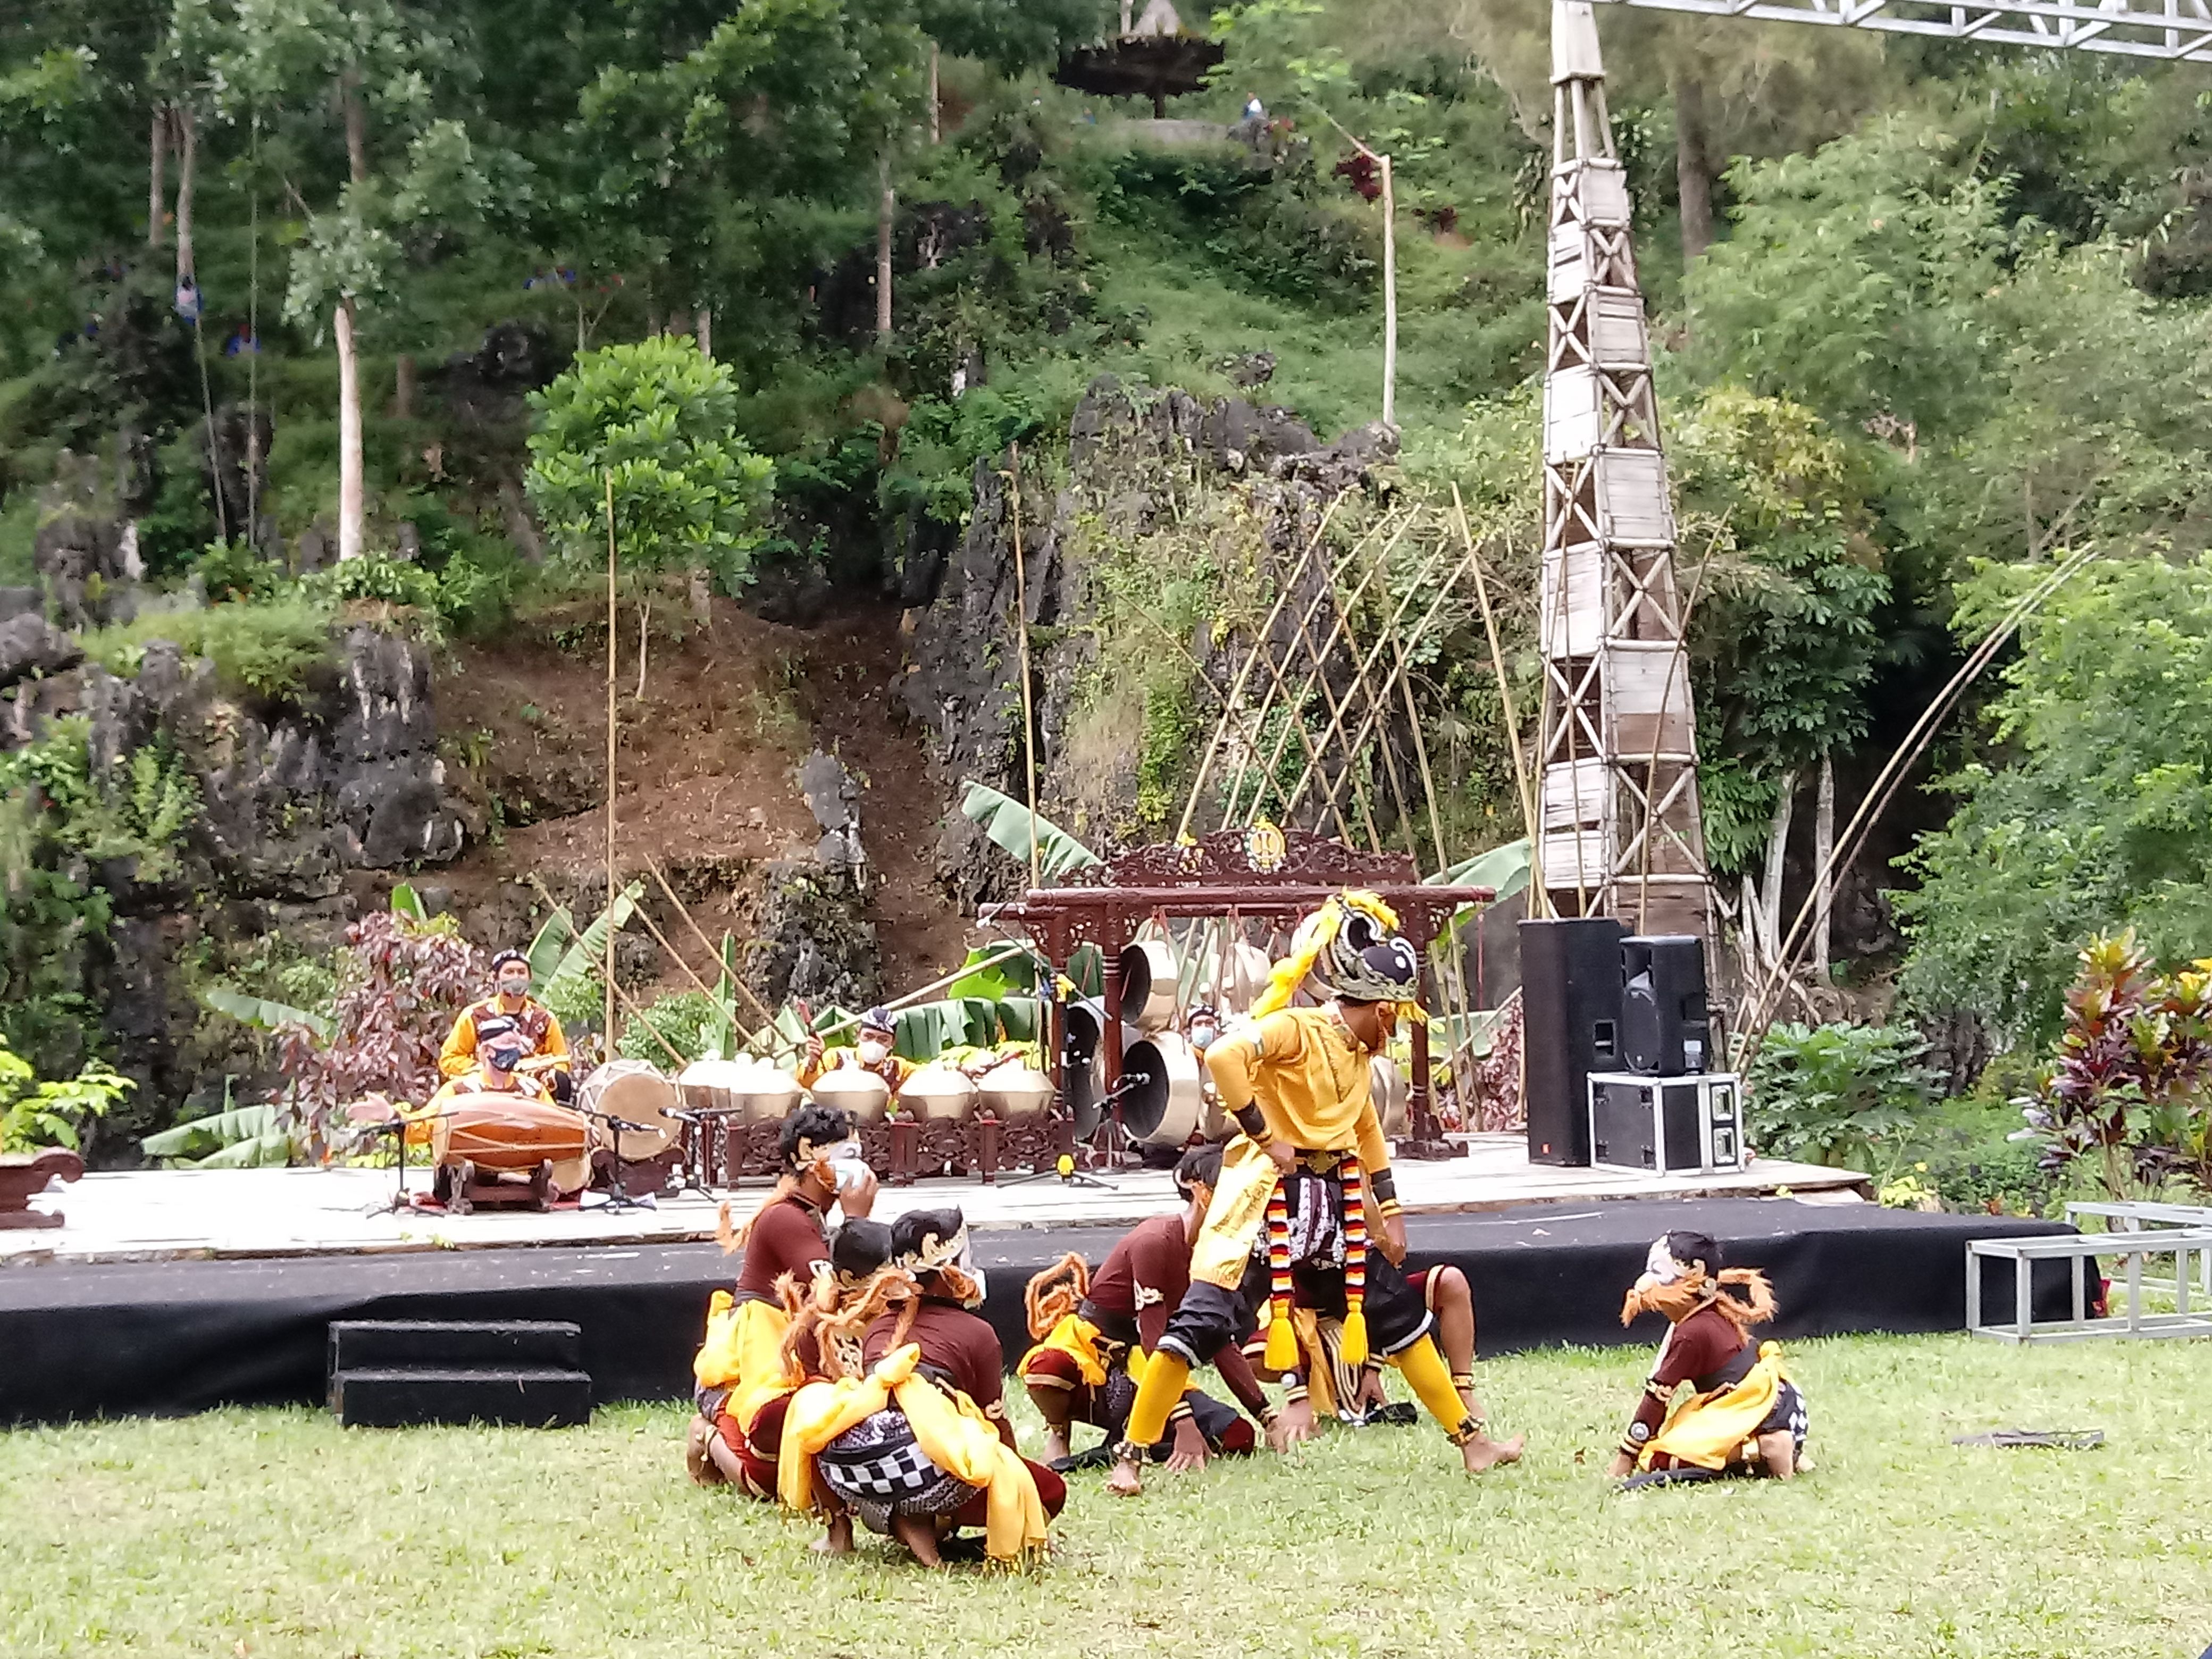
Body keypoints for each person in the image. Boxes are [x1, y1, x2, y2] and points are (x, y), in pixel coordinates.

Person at [1109, 890, 1522, 1495]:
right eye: (1394, 1016)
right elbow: (1222, 1055)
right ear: (1379, 1008)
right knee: (1199, 1323)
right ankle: (1130, 1457)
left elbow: (1365, 1132)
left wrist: (1392, 1211)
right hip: (1263, 1200)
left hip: (1331, 1204)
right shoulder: (1296, 1030)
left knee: (1395, 1315)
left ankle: (1472, 1442)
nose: (1397, 1029)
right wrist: (1264, 1134)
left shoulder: (1356, 1053)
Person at [782, 1207, 1066, 1565]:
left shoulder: (876, 1327)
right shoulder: (978, 1334)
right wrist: (1017, 1488)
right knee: (1049, 1489)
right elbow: (995, 1425)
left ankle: (846, 1530)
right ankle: (924, 1519)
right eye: (966, 1257)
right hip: (928, 1478)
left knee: (821, 1410)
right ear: (949, 1269)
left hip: (857, 1477)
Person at [1018, 1142, 1271, 1468]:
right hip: (1102, 1364)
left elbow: (1219, 1339)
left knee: (1239, 1438)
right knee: (1048, 1371)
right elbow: (1153, 1337)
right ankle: (1060, 1432)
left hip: (1154, 1368)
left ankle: (1126, 1444)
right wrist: (1183, 1421)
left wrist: (1267, 1417)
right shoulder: (1154, 1241)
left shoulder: (1221, 1256)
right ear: (1203, 1194)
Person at [686, 1104, 878, 1497]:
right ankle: (705, 1436)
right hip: (743, 1379)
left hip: (794, 1367)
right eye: (848, 1157)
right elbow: (832, 1291)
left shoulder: (817, 1218)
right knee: (772, 1478)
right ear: (808, 1153)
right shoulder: (785, 1219)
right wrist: (859, 1222)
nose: (860, 1169)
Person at [689, 1215, 892, 1494]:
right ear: (849, 1279)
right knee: (767, 1477)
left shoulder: (896, 1305)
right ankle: (705, 1434)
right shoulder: (817, 1316)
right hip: (797, 1401)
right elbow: (817, 1391)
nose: (898, 1280)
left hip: (859, 1411)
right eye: (887, 1272)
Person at [1609, 1231, 1807, 1487]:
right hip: (1785, 1409)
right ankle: (1789, 1449)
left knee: (1660, 1458)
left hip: (1761, 1414)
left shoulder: (1692, 1333)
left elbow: (1656, 1399)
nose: (1646, 1284)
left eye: (1660, 1273)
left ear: (1695, 1277)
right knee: (1678, 1434)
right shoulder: (1708, 1311)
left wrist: (1627, 1456)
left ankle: (1766, 1447)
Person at [441, 950, 571, 1101]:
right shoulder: (474, 1015)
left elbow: (562, 1061)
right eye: (509, 972)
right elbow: (449, 1059)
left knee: (560, 1080)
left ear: (530, 978)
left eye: (521, 972)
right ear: (495, 977)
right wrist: (487, 1068)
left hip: (531, 1089)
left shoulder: (545, 1019)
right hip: (484, 1085)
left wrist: (537, 1071)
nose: (516, 977)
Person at [799, 1007, 916, 1096]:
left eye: (883, 1039)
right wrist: (812, 1063)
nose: (875, 1043)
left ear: (893, 1043)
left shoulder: (898, 1069)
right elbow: (805, 1085)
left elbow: (926, 1076)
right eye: (868, 1036)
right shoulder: (835, 1058)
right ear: (859, 1035)